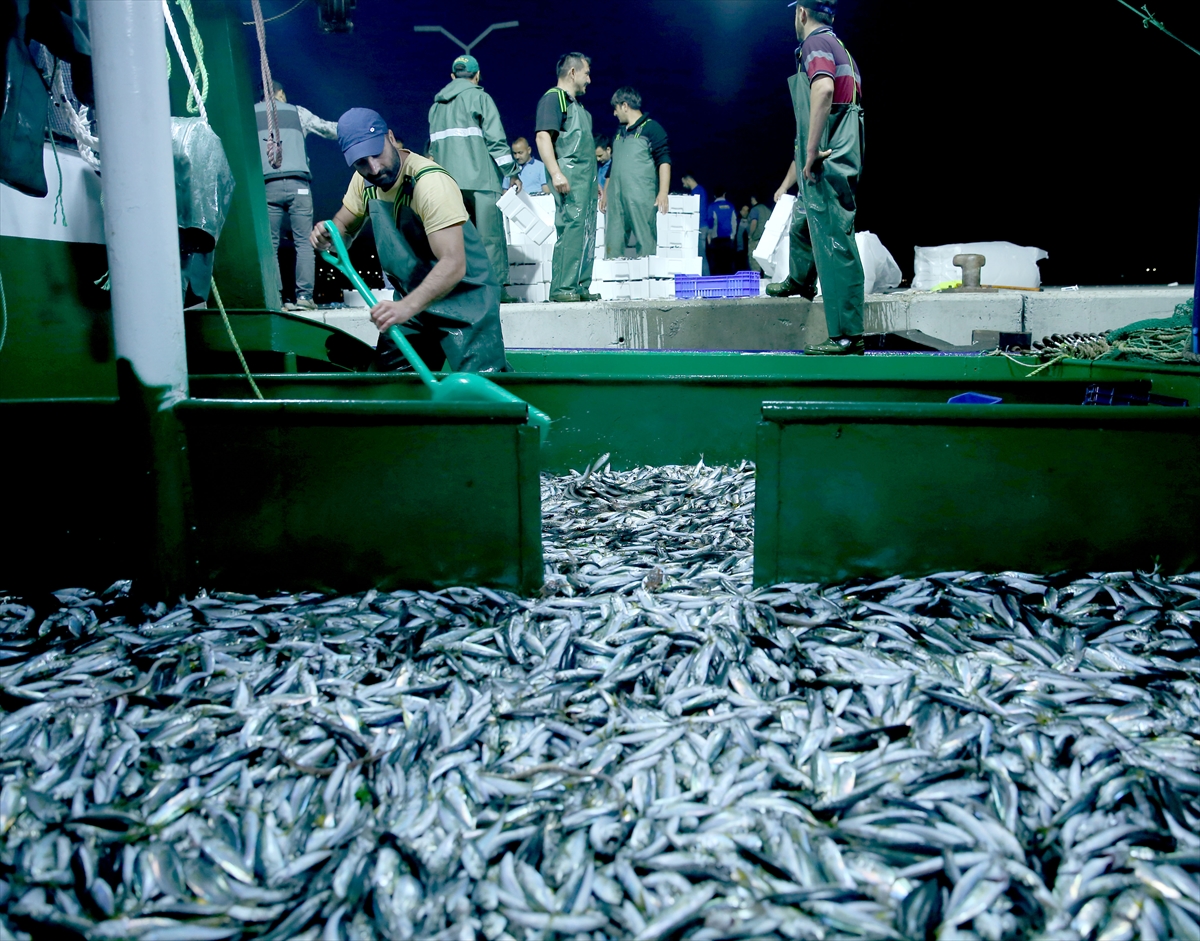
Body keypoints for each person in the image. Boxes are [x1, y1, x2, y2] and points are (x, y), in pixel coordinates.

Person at [310, 108, 507, 373]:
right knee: (390, 386)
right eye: (361, 162)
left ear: (390, 138)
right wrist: (329, 236)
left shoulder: (430, 183)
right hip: (413, 303)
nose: (374, 168)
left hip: (466, 301)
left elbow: (453, 263)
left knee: (483, 388)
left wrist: (405, 307)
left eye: (377, 153)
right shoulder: (364, 182)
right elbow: (343, 228)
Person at [767, 0, 865, 356]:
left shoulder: (815, 43)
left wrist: (811, 150)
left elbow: (823, 89)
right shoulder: (840, 47)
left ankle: (847, 335)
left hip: (828, 154)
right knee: (804, 219)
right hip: (837, 146)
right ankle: (801, 279)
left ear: (801, 13)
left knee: (834, 237)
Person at [427, 55, 520, 303]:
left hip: (449, 184)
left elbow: (433, 149)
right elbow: (496, 141)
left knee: (460, 241)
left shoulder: (435, 108)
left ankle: (465, 292)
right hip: (482, 180)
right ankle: (495, 290)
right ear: (477, 76)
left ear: (452, 77)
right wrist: (511, 171)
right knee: (490, 238)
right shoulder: (480, 98)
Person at [256, 80, 337, 311]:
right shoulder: (297, 112)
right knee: (303, 242)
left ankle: (275, 299)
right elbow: (329, 129)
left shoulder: (250, 115)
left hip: (267, 186)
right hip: (298, 185)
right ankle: (304, 297)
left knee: (270, 245)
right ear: (280, 93)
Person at [535, 52, 599, 303]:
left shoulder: (578, 107)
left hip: (586, 180)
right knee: (571, 228)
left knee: (586, 230)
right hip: (569, 177)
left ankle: (580, 284)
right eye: (586, 73)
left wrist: (595, 183)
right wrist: (555, 173)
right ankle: (563, 287)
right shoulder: (554, 99)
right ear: (573, 72)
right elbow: (543, 137)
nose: (589, 80)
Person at [602, 87, 670, 259]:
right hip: (616, 198)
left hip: (641, 197)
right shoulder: (619, 132)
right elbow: (614, 165)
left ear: (625, 106)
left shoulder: (652, 128)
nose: (614, 113)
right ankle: (613, 274)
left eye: (616, 108)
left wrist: (663, 192)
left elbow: (664, 160)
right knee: (613, 243)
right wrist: (606, 193)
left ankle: (648, 274)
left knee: (645, 241)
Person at [681, 174, 710, 275]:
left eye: (684, 182)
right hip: (703, 225)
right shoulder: (701, 190)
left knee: (700, 255)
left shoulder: (696, 192)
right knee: (700, 254)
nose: (683, 185)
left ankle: (705, 278)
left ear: (688, 180)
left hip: (699, 226)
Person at [706, 190, 738, 274]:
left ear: (714, 196)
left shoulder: (712, 206)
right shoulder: (731, 206)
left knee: (716, 265)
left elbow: (710, 222)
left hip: (716, 240)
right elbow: (734, 222)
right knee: (728, 265)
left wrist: (709, 236)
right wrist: (733, 236)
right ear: (724, 194)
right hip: (728, 240)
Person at [747, 195, 772, 272]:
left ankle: (756, 277)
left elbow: (754, 223)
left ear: (753, 199)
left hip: (756, 238)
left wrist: (750, 235)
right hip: (767, 239)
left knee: (754, 261)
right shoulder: (768, 209)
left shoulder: (755, 209)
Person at [736, 204, 752, 270]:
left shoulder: (751, 222)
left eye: (747, 210)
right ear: (740, 211)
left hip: (748, 250)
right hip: (738, 251)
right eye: (743, 210)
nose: (745, 212)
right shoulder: (736, 222)